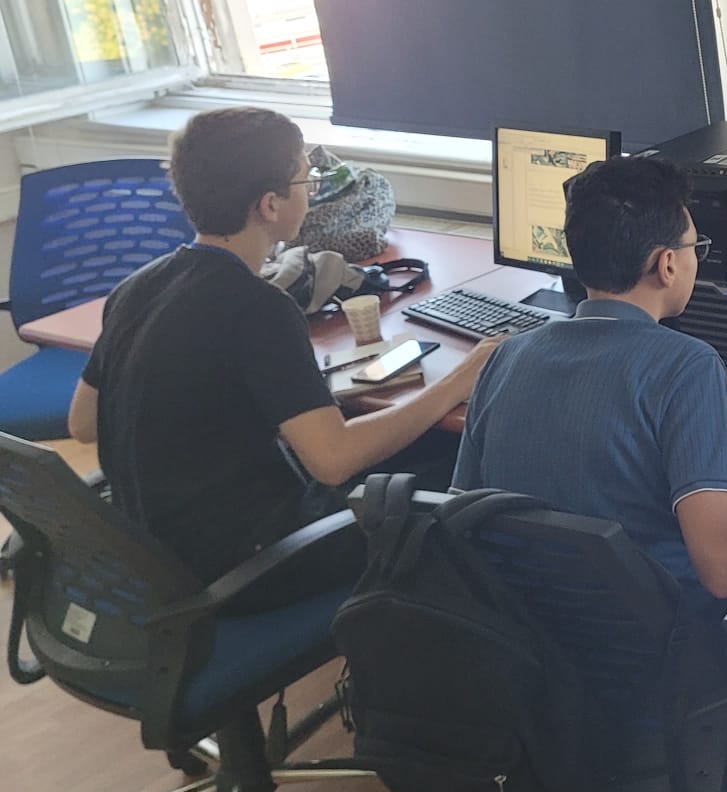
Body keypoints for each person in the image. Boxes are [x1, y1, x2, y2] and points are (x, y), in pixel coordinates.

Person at [67, 107, 498, 586]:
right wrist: (460, 379)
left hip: (149, 550)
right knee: (453, 466)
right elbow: (333, 461)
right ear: (270, 205)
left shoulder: (138, 286)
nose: (311, 191)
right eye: (305, 180)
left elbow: (83, 423)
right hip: (249, 563)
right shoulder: (258, 307)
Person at [453, 153, 727, 617]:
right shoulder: (687, 365)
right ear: (667, 264)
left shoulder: (505, 356)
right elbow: (724, 567)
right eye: (696, 248)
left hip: (529, 637)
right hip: (668, 640)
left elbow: (461, 516)